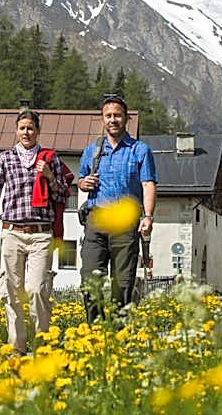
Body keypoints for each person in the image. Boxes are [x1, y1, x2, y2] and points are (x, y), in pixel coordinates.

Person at [0, 109, 67, 354]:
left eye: (30, 128)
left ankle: (42, 348)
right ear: (16, 131)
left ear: (38, 131)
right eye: (22, 128)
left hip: (41, 233)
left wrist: (49, 176)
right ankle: (16, 348)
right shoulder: (5, 158)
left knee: (37, 289)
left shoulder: (50, 158)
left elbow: (62, 195)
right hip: (12, 232)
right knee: (12, 291)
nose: (26, 132)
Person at [78, 94, 158, 322]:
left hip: (125, 221)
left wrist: (148, 216)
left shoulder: (140, 150)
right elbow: (81, 181)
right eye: (108, 116)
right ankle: (95, 330)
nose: (113, 120)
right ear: (103, 119)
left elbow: (148, 183)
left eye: (117, 115)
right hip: (96, 218)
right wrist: (84, 183)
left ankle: (117, 333)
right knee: (90, 279)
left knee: (122, 282)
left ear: (126, 119)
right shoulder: (91, 150)